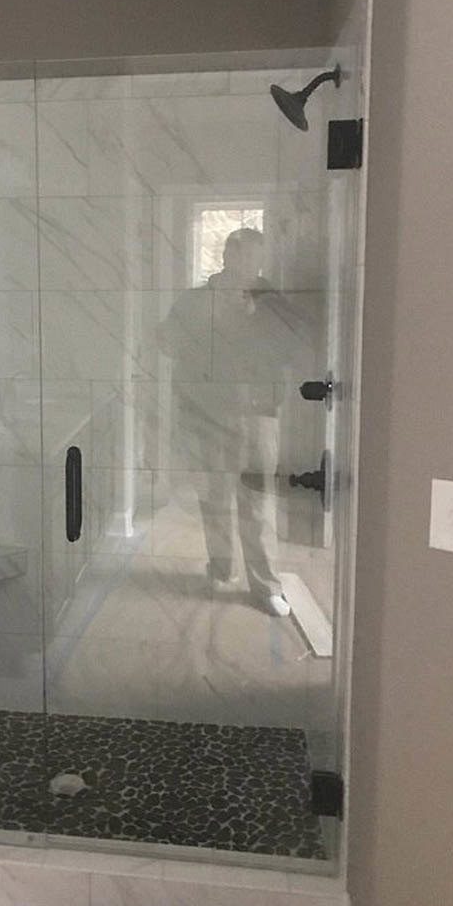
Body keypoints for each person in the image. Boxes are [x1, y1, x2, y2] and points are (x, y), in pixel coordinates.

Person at [158, 227, 300, 618]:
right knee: (216, 497)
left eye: (256, 259)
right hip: (210, 413)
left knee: (257, 502)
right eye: (241, 257)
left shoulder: (272, 302)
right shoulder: (195, 301)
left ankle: (267, 586)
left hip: (258, 416)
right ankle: (221, 568)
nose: (249, 266)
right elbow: (166, 343)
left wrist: (258, 319)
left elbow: (292, 349)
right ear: (225, 258)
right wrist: (201, 324)